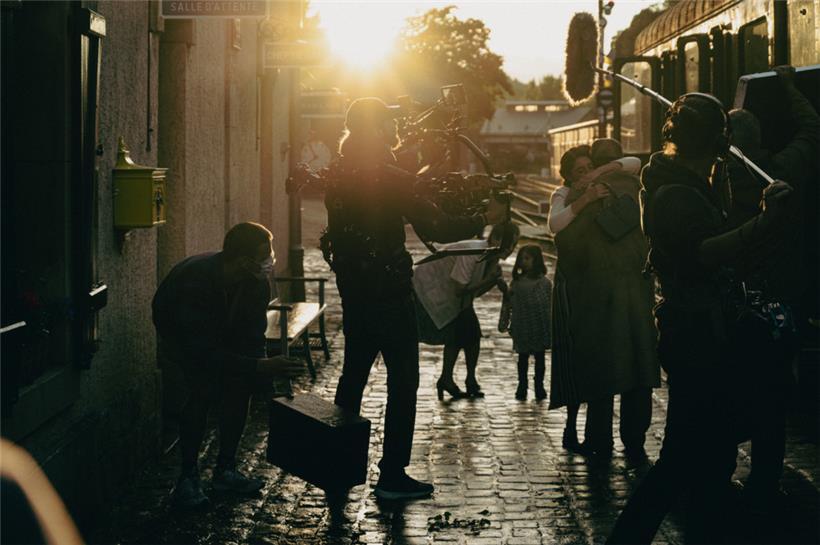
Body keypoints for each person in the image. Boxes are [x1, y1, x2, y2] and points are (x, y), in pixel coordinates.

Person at [607, 93, 793, 544]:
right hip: (696, 334)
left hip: (696, 329)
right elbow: (705, 252)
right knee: (681, 458)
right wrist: (766, 221)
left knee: (710, 454)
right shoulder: (676, 195)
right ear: (717, 140)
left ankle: (706, 527)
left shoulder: (679, 181)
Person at [324, 97, 507, 500]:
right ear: (375, 129)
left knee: (352, 378)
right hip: (389, 293)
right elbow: (438, 225)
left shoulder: (340, 171)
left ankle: (336, 470)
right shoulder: (386, 175)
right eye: (387, 123)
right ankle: (392, 475)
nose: (394, 129)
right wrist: (484, 218)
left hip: (355, 291)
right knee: (403, 381)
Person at [152, 222, 304, 509]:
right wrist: (259, 367)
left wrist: (263, 376)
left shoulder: (255, 282)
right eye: (264, 254)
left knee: (239, 388)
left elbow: (252, 336)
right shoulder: (195, 283)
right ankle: (187, 477)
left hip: (223, 332)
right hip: (180, 335)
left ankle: (226, 470)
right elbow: (202, 352)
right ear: (243, 260)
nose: (269, 260)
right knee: (200, 391)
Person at [726, 65, 820, 510]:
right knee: (772, 395)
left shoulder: (717, 183)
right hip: (781, 301)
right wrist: (789, 87)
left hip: (734, 304)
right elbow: (811, 130)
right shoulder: (784, 169)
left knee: (730, 388)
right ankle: (765, 481)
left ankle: (720, 471)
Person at [547, 143, 659, 460]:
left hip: (598, 300)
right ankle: (634, 443)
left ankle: (599, 441)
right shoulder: (639, 191)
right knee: (639, 373)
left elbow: (565, 244)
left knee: (602, 374)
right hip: (637, 297)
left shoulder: (585, 198)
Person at [414, 222, 520, 400]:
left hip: (454, 300)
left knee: (470, 333)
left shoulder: (491, 259)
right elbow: (460, 289)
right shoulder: (473, 253)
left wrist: (492, 282)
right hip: (427, 291)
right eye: (508, 243)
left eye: (514, 244)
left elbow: (474, 292)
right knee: (461, 333)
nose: (510, 249)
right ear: (496, 239)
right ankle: (452, 379)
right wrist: (489, 280)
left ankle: (460, 378)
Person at [498, 244, 552, 400]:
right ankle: (522, 385)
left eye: (527, 258)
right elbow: (510, 302)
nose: (523, 261)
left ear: (536, 260)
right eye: (521, 258)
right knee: (522, 358)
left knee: (539, 358)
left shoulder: (545, 283)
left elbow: (549, 306)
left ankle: (538, 385)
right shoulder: (517, 283)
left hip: (539, 326)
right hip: (522, 325)